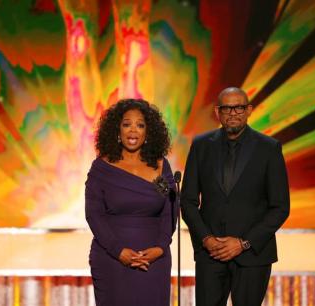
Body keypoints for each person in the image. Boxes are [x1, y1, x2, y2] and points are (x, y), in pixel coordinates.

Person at [181, 87, 290, 306]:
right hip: (210, 255)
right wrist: (206, 239)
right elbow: (188, 201)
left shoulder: (269, 148)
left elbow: (280, 207)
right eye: (227, 108)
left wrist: (244, 243)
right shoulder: (201, 146)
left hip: (253, 257)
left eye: (239, 107)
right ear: (217, 112)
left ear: (249, 110)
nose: (233, 113)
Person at [85, 99, 177, 306]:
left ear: (148, 132)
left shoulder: (161, 167)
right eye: (127, 124)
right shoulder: (102, 168)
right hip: (112, 259)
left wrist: (161, 248)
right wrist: (118, 251)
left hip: (154, 258)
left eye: (140, 125)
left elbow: (170, 209)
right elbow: (94, 214)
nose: (133, 130)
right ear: (117, 130)